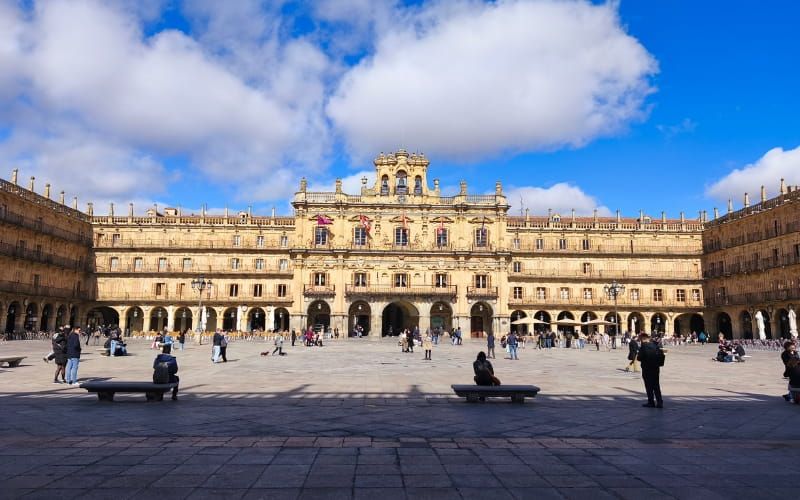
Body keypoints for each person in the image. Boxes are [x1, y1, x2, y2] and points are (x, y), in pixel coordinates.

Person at [637, 334, 664, 408]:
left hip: (646, 368)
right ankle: (659, 402)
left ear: (643, 339)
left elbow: (639, 358)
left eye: (640, 340)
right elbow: (661, 355)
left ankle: (651, 402)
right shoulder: (656, 345)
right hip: (655, 368)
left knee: (648, 386)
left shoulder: (643, 347)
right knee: (656, 385)